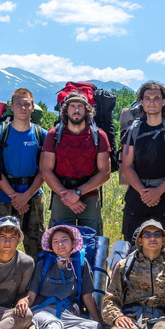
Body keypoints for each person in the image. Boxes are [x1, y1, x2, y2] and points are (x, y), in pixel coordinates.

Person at [20, 224, 103, 329]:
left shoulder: (81, 264)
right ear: (51, 246)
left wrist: (98, 321)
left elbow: (87, 296)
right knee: (52, 322)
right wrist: (24, 301)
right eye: (55, 241)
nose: (60, 244)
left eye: (64, 240)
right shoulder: (43, 264)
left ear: (73, 242)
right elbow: (32, 294)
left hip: (68, 313)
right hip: (43, 311)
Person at [120, 82, 165, 241]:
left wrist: (158, 191)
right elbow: (127, 165)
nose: (152, 102)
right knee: (132, 247)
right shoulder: (133, 130)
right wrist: (144, 192)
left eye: (157, 98)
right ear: (141, 102)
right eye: (147, 98)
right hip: (136, 198)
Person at [0, 88, 47, 254]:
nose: (23, 108)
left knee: (37, 247)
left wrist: (25, 197)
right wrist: (16, 198)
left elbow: (44, 171)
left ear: (33, 107)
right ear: (11, 106)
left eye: (27, 104)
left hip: (33, 196)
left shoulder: (42, 135)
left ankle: (34, 280)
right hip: (4, 198)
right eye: (19, 104)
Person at [41, 92, 111, 234]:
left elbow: (105, 172)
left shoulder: (99, 135)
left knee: (93, 240)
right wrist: (67, 196)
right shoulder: (53, 135)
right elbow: (46, 170)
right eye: (72, 106)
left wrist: (78, 193)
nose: (76, 110)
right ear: (65, 110)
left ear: (87, 110)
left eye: (80, 106)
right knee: (59, 239)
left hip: (90, 194)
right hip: (61, 193)